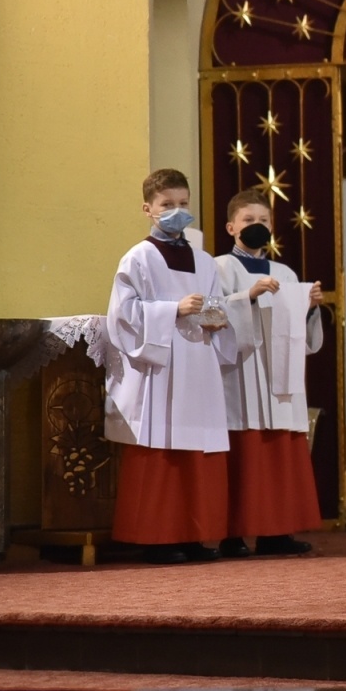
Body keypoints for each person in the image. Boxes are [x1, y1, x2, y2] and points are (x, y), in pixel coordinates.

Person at [104, 169, 236, 564]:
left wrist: (217, 318)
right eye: (167, 205)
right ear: (148, 209)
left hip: (198, 360)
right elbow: (122, 317)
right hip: (161, 364)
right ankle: (159, 539)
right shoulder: (138, 257)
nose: (177, 212)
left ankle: (197, 535)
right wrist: (171, 310)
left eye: (183, 204)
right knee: (164, 452)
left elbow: (217, 306)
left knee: (199, 450)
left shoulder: (204, 260)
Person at [214, 189, 326, 557]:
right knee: (244, 453)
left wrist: (308, 307)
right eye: (248, 220)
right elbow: (214, 315)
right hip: (240, 372)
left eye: (263, 221)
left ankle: (276, 531)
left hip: (278, 372)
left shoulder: (285, 271)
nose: (256, 226)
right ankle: (233, 534)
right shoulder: (220, 268)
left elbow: (300, 336)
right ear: (232, 227)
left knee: (278, 450)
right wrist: (247, 296)